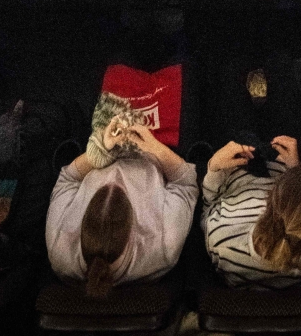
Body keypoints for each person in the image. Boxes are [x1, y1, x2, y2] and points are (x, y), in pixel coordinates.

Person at [46, 110, 197, 294]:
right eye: (125, 189)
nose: (116, 176)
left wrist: (100, 150)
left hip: (101, 150)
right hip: (155, 153)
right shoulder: (163, 247)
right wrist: (154, 147)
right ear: (134, 228)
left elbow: (67, 179)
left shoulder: (60, 251)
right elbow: (185, 182)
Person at [202, 138, 301, 285]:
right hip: (279, 163)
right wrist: (295, 170)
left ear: (268, 198)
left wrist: (213, 167)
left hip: (234, 167)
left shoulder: (221, 238)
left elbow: (208, 205)